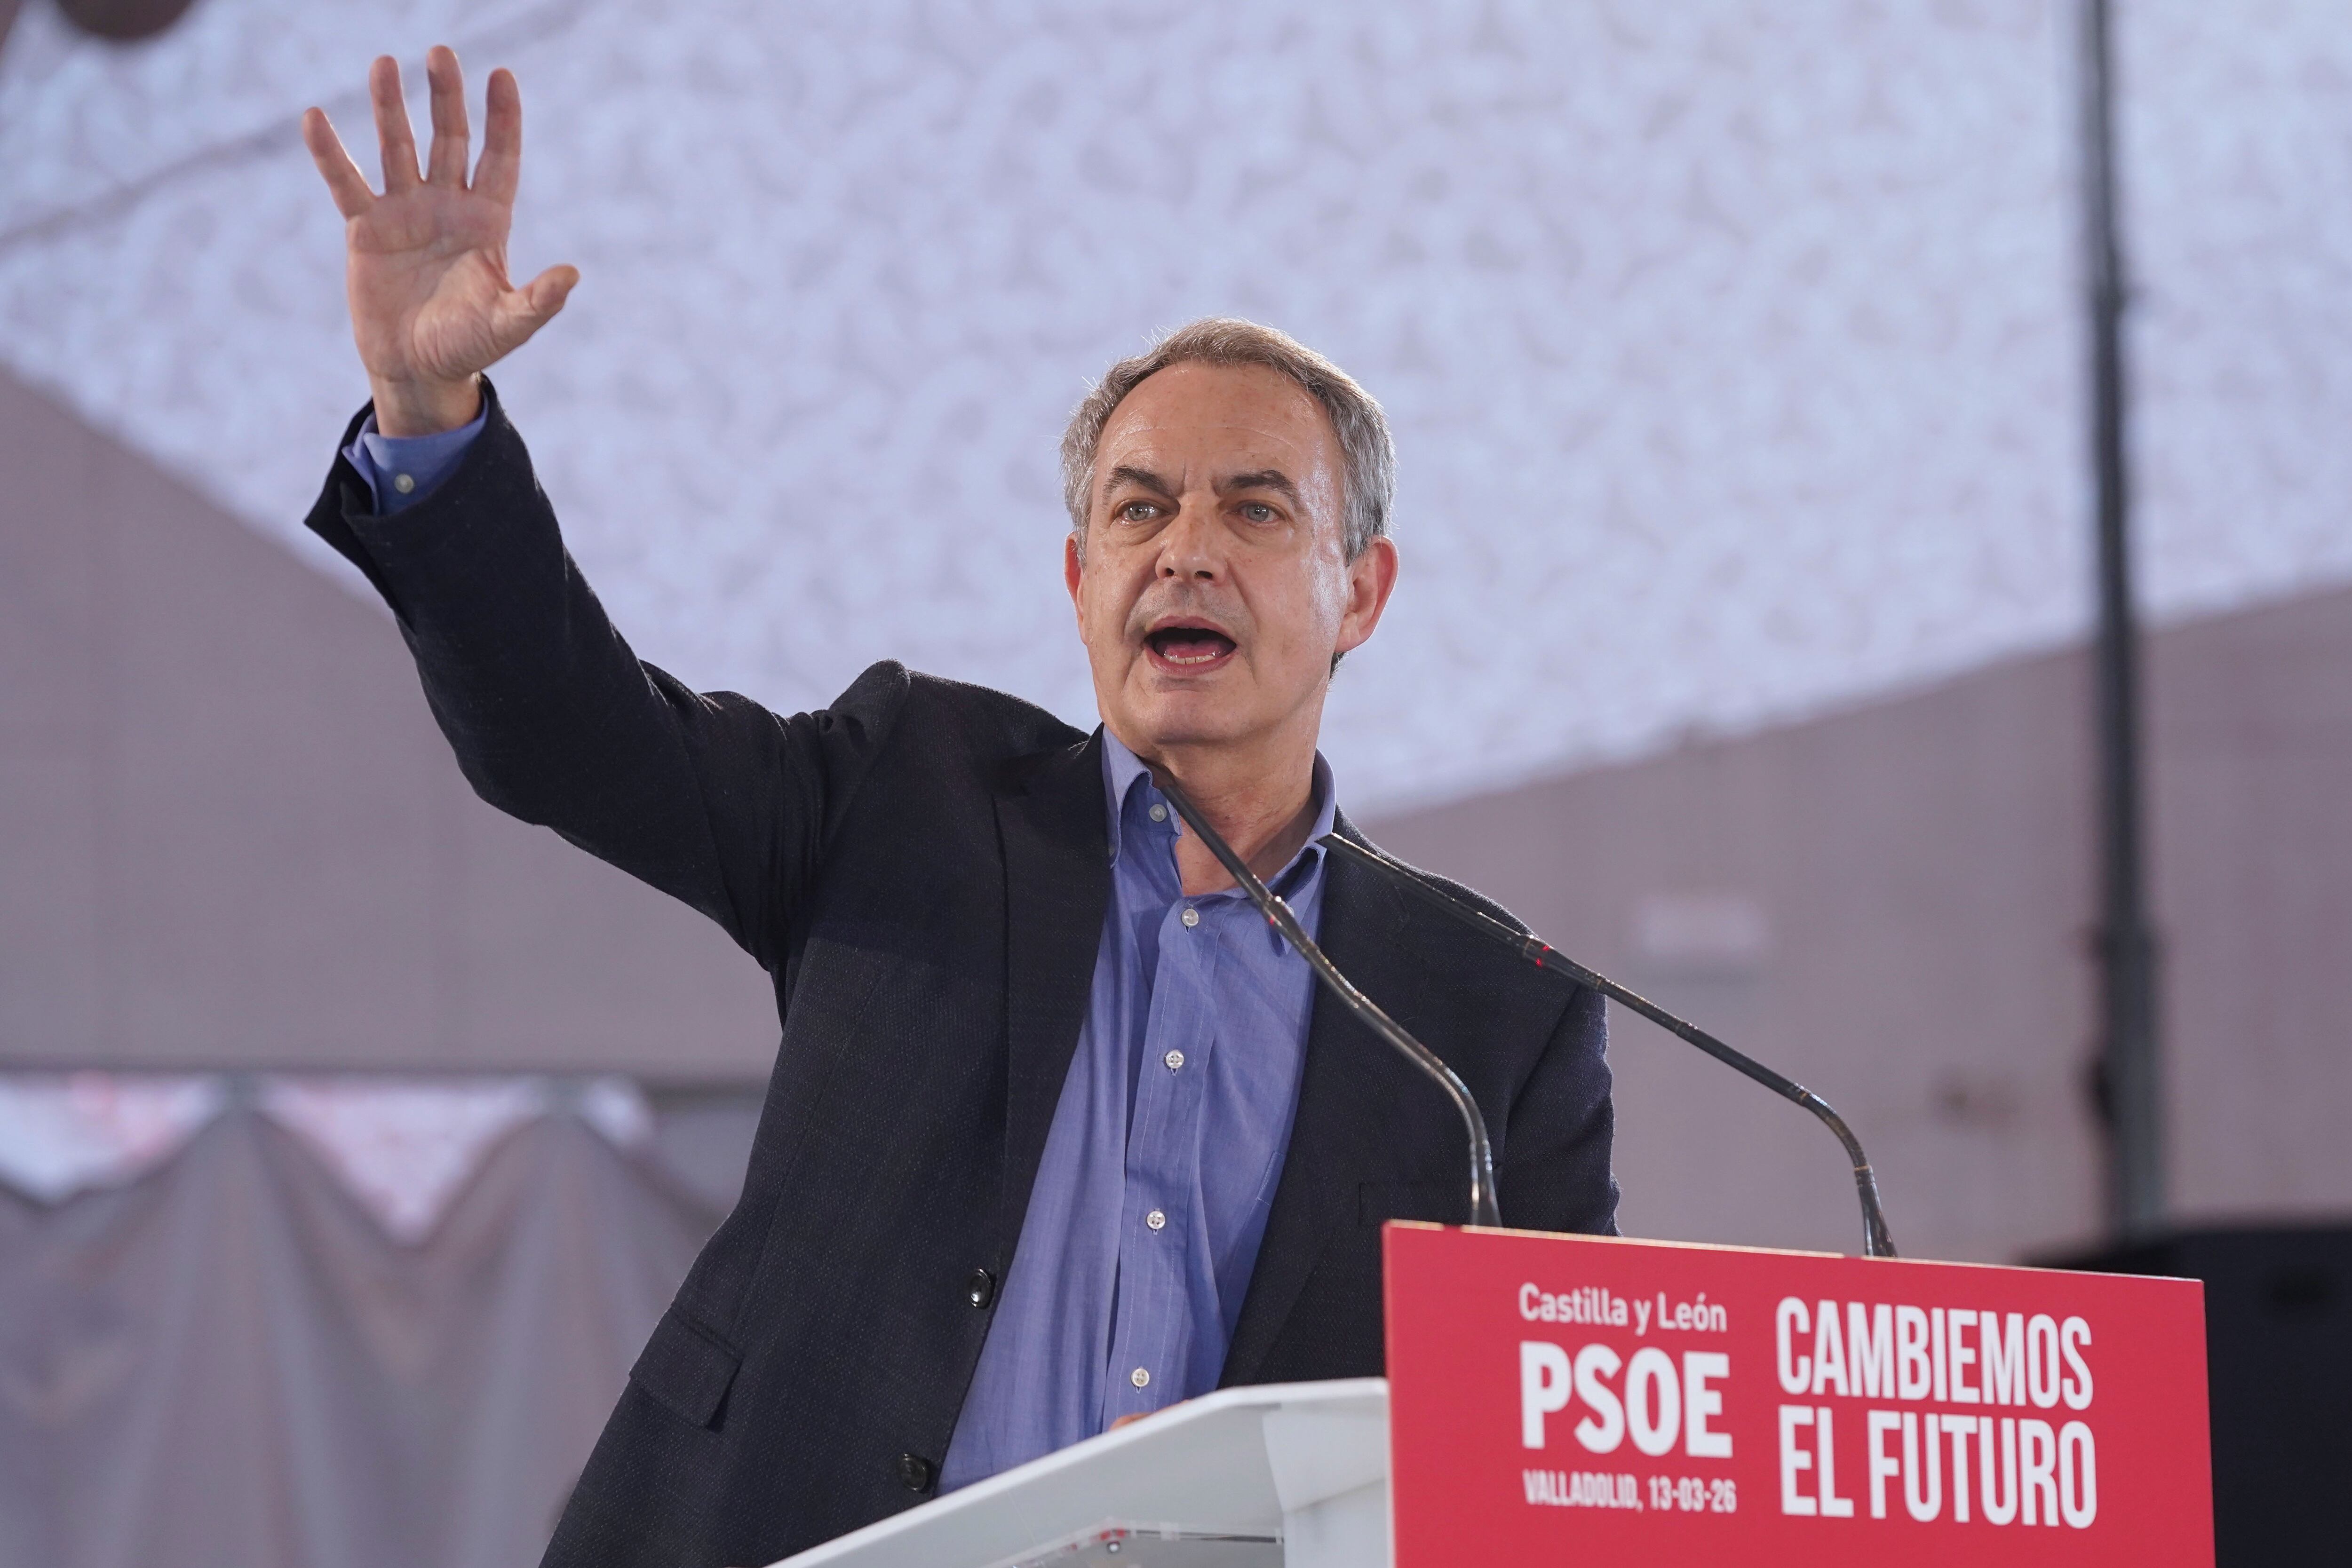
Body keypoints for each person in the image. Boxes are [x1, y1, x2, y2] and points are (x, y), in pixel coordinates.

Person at [301, 46, 1616, 1568]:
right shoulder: (909, 794)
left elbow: (1545, 1457)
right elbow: (568, 738)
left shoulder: (1484, 1012)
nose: (1185, 550)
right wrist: (430, 414)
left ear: (1361, 594)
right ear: (1081, 580)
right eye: (1139, 507)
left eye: (1255, 508)